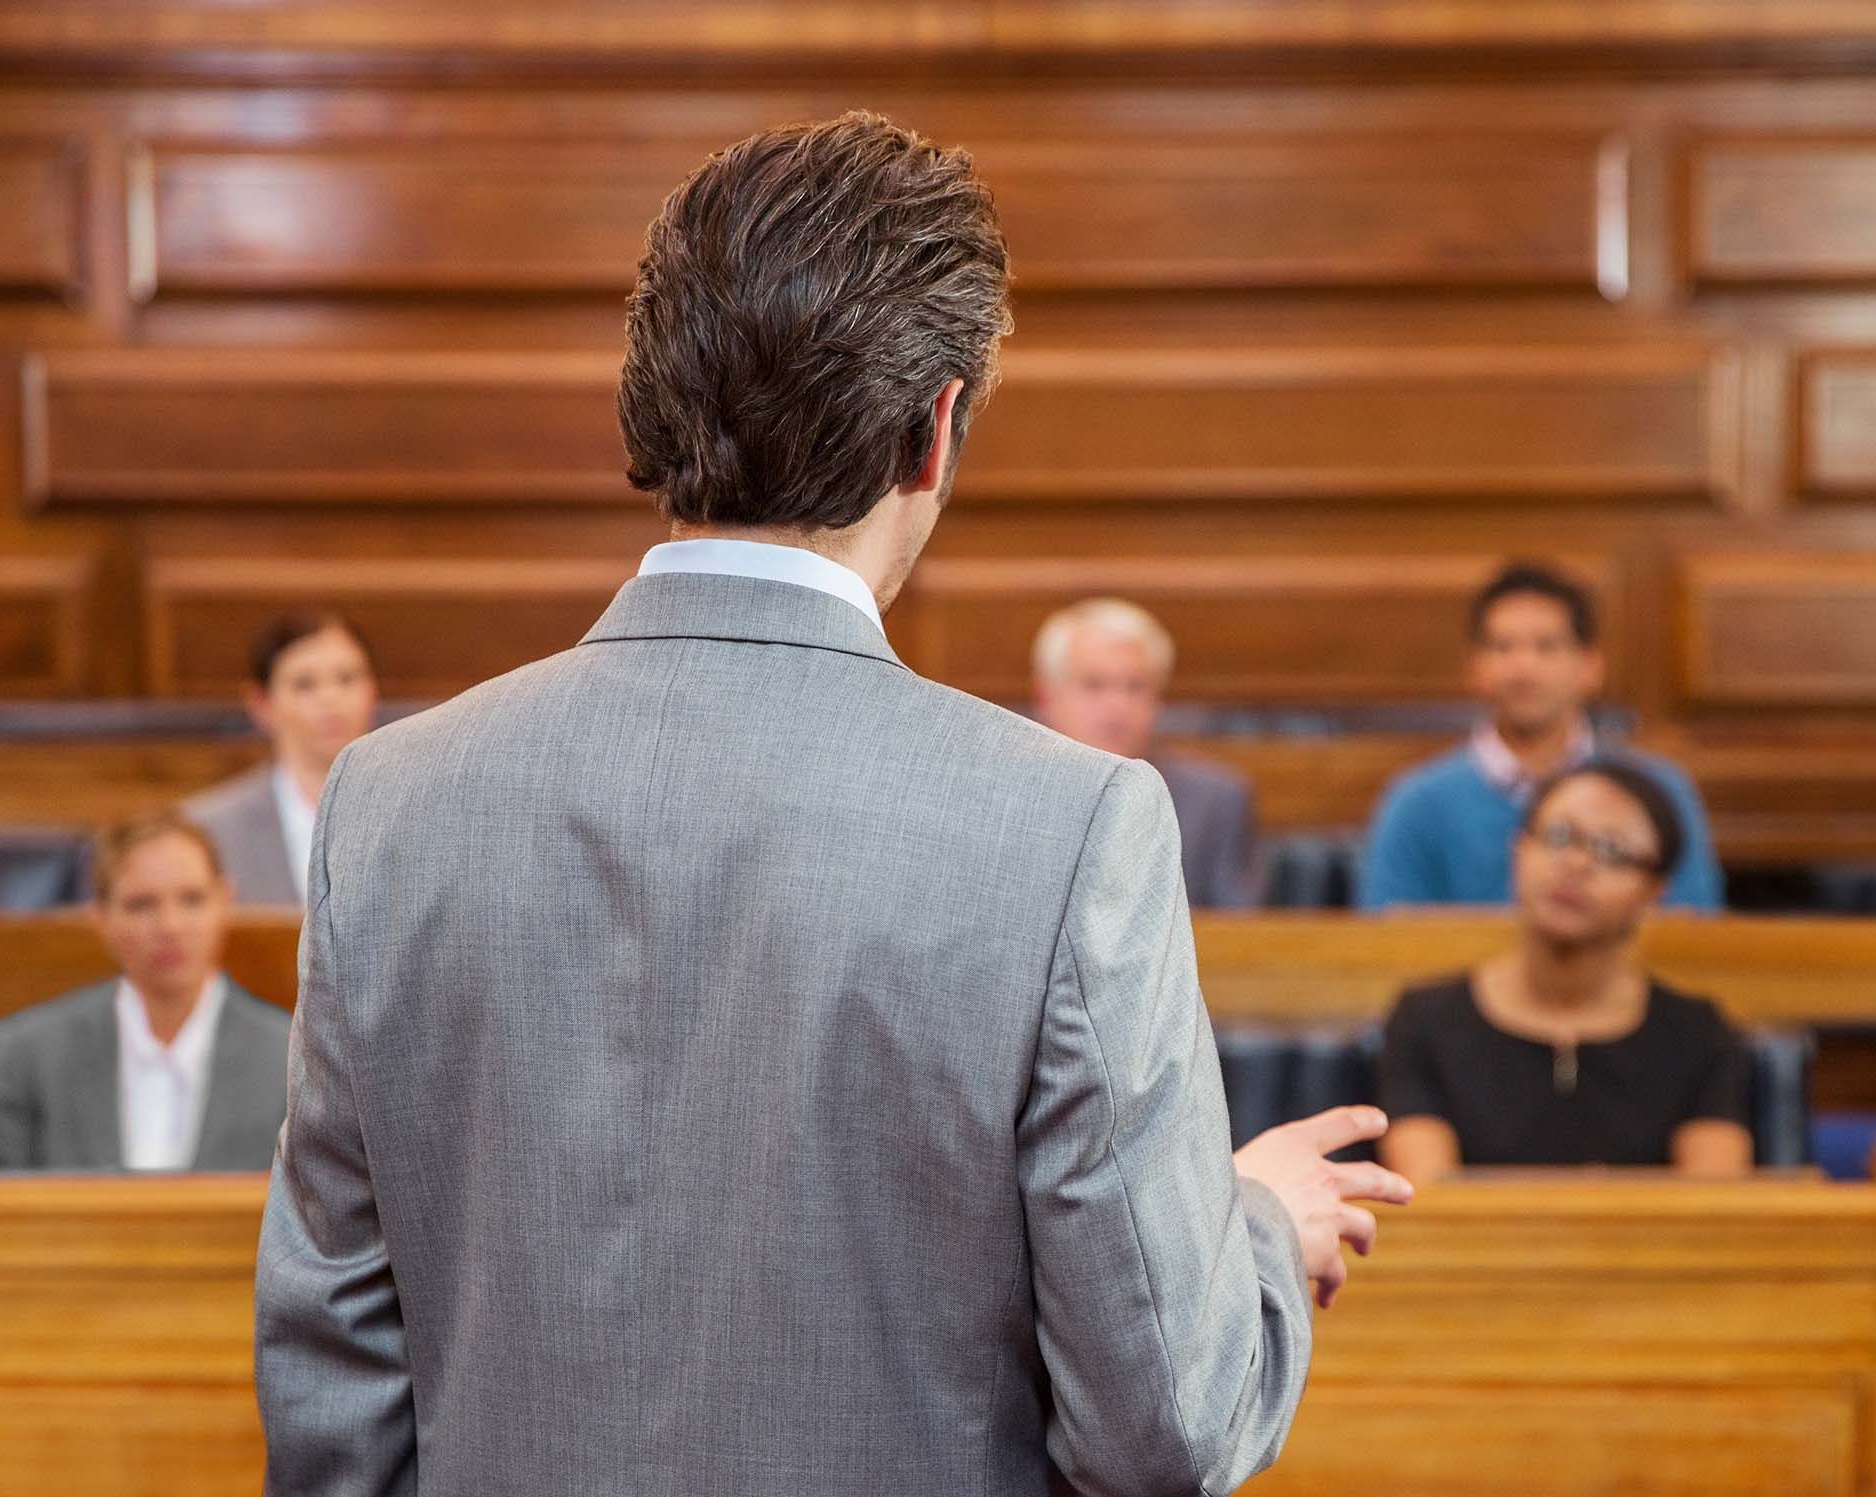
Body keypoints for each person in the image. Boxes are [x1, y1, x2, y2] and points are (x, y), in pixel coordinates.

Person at [255, 113, 1410, 1497]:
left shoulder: (388, 800)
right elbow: (1160, 1424)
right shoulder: (1070, 826)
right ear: (935, 434)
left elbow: (334, 1396)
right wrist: (1261, 1233)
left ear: (651, 405)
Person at [1377, 759, 1754, 1183]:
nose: (1577, 864)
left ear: (1654, 892)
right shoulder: (1425, 1021)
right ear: (1518, 850)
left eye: (1612, 851)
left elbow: (1712, 1210)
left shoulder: (1699, 1034)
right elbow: (1429, 1199)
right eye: (1559, 836)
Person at [1359, 562, 1723, 911]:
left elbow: (1693, 935)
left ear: (1591, 666)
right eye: (1503, 647)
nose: (1524, 667)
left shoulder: (1660, 792)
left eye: (1546, 646)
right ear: (1475, 669)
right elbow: (1386, 941)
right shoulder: (1416, 802)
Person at [0, 812, 290, 1172]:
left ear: (225, 901)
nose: (170, 926)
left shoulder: (293, 1058)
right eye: (141, 904)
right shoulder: (26, 1054)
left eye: (192, 899)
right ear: (100, 916)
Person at [1033, 597, 1257, 908]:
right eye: (1094, 685)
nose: (1118, 706)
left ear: (1159, 700)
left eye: (1135, 687)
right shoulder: (1010, 794)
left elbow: (1240, 937)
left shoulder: (1213, 799)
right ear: (1047, 698)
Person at [185, 613, 378, 906]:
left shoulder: (418, 816)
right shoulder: (207, 830)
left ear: (372, 692)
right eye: (304, 684)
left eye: (347, 678)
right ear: (261, 703)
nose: (330, 698)